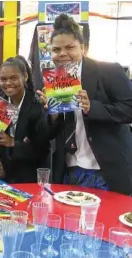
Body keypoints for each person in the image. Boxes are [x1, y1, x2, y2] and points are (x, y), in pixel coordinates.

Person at [38, 14, 132, 194]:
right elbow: (45, 134)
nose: (62, 54)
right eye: (56, 49)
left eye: (70, 47)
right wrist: (53, 115)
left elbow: (129, 108)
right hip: (69, 169)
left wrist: (92, 108)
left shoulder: (108, 71)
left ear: (82, 48)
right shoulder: (52, 81)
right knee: (69, 219)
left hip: (106, 168)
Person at [0, 56, 51, 183]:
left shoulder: (38, 105)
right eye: (3, 79)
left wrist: (14, 143)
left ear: (25, 77)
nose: (8, 83)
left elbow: (43, 149)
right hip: (3, 174)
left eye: (13, 78)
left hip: (30, 176)